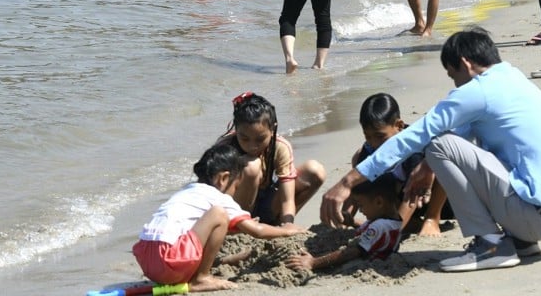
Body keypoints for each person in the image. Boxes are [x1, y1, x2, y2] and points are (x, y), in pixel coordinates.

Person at [320, 28, 541, 273]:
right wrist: (426, 166)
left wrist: (348, 180)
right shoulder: (511, 78)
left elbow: (419, 134)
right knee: (442, 146)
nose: (456, 85)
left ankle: (490, 244)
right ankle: (518, 241)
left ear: (466, 63)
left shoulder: (478, 90)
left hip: (533, 215)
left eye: (453, 75)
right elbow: (463, 132)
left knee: (437, 142)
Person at [132, 142, 305, 292]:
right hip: (171, 262)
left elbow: (204, 230)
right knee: (219, 213)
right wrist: (286, 231)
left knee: (218, 219)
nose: (235, 192)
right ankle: (201, 278)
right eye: (236, 187)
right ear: (223, 179)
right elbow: (258, 231)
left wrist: (237, 226)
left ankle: (190, 272)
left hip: (147, 260)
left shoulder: (187, 191)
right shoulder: (218, 197)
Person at [347, 93, 450, 237]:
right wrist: (346, 216)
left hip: (440, 199)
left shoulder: (414, 148)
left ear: (399, 126)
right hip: (404, 197)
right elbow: (360, 187)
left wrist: (393, 229)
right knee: (359, 160)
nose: (374, 143)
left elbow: (412, 197)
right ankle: (410, 223)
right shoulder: (370, 148)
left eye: (380, 136)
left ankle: (432, 219)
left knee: (439, 161)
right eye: (367, 136)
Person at [218, 92, 325, 224]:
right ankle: (242, 226)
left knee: (314, 171)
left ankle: (277, 223)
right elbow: (213, 195)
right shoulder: (224, 148)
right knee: (252, 166)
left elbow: (287, 199)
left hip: (266, 204)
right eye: (245, 139)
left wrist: (288, 224)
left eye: (260, 139)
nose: (252, 146)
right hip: (234, 211)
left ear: (272, 130)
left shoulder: (280, 147)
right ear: (236, 129)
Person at [286, 174, 403, 273]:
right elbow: (375, 232)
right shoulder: (391, 222)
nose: (361, 210)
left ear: (378, 202)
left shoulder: (379, 227)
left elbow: (352, 253)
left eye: (361, 205)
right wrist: (352, 222)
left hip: (362, 263)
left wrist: (314, 262)